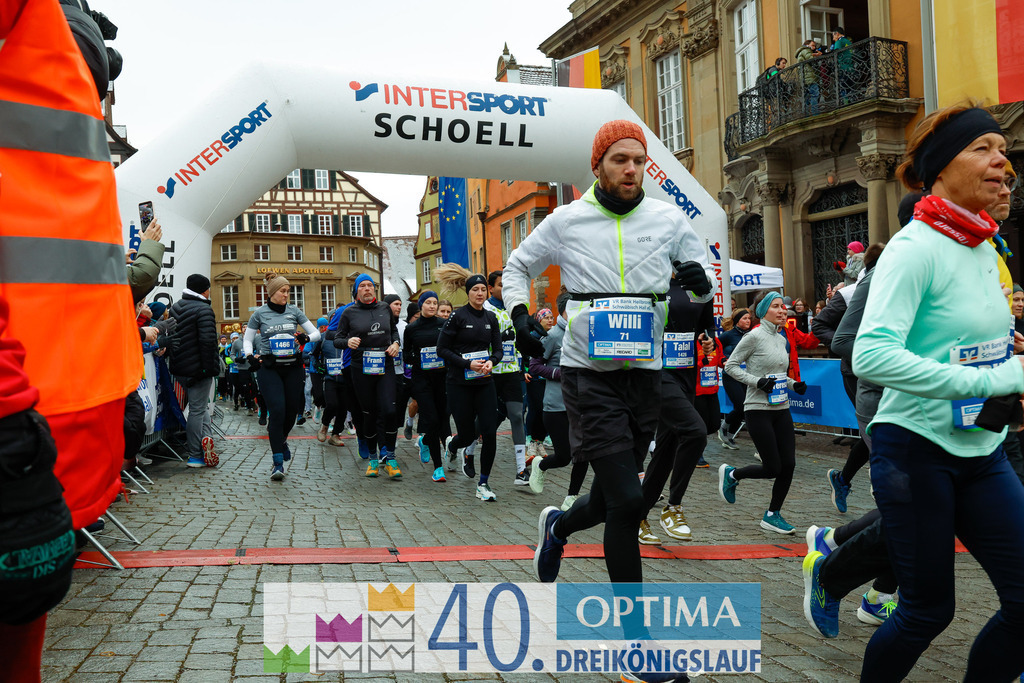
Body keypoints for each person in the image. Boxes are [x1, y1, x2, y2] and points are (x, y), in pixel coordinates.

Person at [851, 103, 1024, 680]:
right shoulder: (914, 248)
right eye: (982, 148)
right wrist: (984, 381)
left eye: (1003, 149)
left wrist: (1010, 369)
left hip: (982, 448)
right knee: (928, 611)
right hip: (915, 451)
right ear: (940, 168)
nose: (1001, 160)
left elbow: (967, 345)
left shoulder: (982, 246)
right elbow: (870, 355)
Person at [502, 119, 714, 584]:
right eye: (620, 160)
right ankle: (635, 638)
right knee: (628, 501)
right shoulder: (567, 220)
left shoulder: (668, 219)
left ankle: (558, 525)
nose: (631, 169)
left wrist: (701, 286)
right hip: (587, 373)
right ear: (598, 165)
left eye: (638, 161)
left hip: (644, 373)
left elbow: (706, 277)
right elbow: (517, 266)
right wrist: (520, 315)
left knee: (608, 498)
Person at [720, 290, 809, 534]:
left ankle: (772, 514)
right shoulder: (753, 336)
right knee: (772, 467)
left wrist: (793, 385)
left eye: (783, 306)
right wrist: (756, 382)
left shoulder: (782, 339)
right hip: (757, 409)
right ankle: (733, 474)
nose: (783, 310)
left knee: (788, 464)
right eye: (776, 307)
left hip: (781, 408)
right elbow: (729, 366)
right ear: (763, 312)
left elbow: (779, 376)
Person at [638, 283, 717, 545]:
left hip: (686, 373)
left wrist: (707, 341)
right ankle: (673, 507)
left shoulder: (700, 285)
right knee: (695, 432)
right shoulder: (649, 280)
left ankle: (636, 516)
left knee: (666, 451)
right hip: (656, 372)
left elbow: (707, 326)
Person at [435, 265, 503, 501]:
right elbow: (441, 349)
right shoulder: (457, 316)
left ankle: (483, 483)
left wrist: (492, 362)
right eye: (475, 289)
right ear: (468, 293)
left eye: (483, 289)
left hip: (484, 382)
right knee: (465, 435)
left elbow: (499, 350)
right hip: (458, 383)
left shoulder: (491, 317)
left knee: (489, 431)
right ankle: (454, 446)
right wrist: (466, 364)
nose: (480, 293)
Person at [244, 272, 320, 481]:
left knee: (291, 412)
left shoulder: (294, 311)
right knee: (277, 409)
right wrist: (249, 355)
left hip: (293, 367)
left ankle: (282, 439)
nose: (287, 294)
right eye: (283, 291)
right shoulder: (259, 314)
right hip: (270, 367)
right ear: (272, 293)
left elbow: (316, 333)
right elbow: (248, 339)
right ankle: (278, 462)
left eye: (288, 291)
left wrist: (306, 337)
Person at [527, 293, 590, 509]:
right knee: (563, 456)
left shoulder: (586, 333)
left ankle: (571, 497)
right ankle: (540, 464)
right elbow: (534, 366)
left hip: (582, 403)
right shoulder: (553, 335)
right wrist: (561, 374)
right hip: (556, 405)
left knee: (583, 453)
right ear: (564, 310)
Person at [335, 274, 401, 479]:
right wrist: (348, 342)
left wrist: (396, 344)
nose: (367, 289)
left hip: (385, 364)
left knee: (390, 410)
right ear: (356, 291)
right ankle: (373, 457)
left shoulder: (384, 308)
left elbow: (394, 332)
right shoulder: (349, 313)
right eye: (362, 286)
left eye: (370, 285)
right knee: (369, 413)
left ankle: (389, 455)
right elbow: (337, 339)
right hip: (360, 367)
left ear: (375, 289)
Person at [484, 270, 533, 486]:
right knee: (486, 420)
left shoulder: (516, 309)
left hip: (512, 370)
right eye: (502, 285)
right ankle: (465, 448)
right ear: (491, 288)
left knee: (516, 415)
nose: (506, 289)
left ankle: (521, 470)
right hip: (490, 371)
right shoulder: (485, 309)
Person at [169, 274, 221, 469]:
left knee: (199, 407)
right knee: (197, 411)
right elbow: (208, 342)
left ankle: (206, 438)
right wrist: (209, 369)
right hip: (200, 368)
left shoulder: (176, 307)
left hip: (181, 368)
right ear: (205, 290)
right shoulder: (204, 309)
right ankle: (195, 455)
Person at [403, 291, 450, 481]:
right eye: (428, 303)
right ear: (421, 305)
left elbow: (451, 348)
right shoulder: (412, 329)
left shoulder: (443, 325)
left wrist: (441, 356)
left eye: (434, 303)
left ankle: (424, 440)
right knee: (432, 420)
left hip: (441, 378)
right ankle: (438, 467)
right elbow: (406, 355)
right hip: (421, 379)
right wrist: (422, 357)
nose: (432, 306)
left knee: (442, 417)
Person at [718, 308, 752, 448]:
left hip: (746, 376)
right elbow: (716, 349)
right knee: (740, 406)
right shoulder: (728, 335)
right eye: (745, 318)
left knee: (744, 408)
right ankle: (723, 428)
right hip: (730, 376)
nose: (748, 321)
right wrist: (723, 361)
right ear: (737, 320)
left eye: (749, 318)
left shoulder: (751, 335)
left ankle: (730, 436)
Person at [525, 308, 555, 459]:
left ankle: (540, 442)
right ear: (539, 320)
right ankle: (531, 441)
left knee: (545, 411)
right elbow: (523, 355)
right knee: (536, 409)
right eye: (546, 318)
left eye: (551, 317)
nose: (550, 320)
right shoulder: (532, 337)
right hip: (534, 379)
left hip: (548, 379)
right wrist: (523, 371)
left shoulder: (553, 336)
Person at [795, 39, 821, 115]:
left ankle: (806, 114)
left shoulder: (801, 52)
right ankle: (815, 113)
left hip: (804, 78)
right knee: (814, 95)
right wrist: (817, 56)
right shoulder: (806, 50)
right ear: (807, 45)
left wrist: (814, 54)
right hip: (810, 77)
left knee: (807, 97)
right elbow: (811, 60)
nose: (814, 47)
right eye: (812, 45)